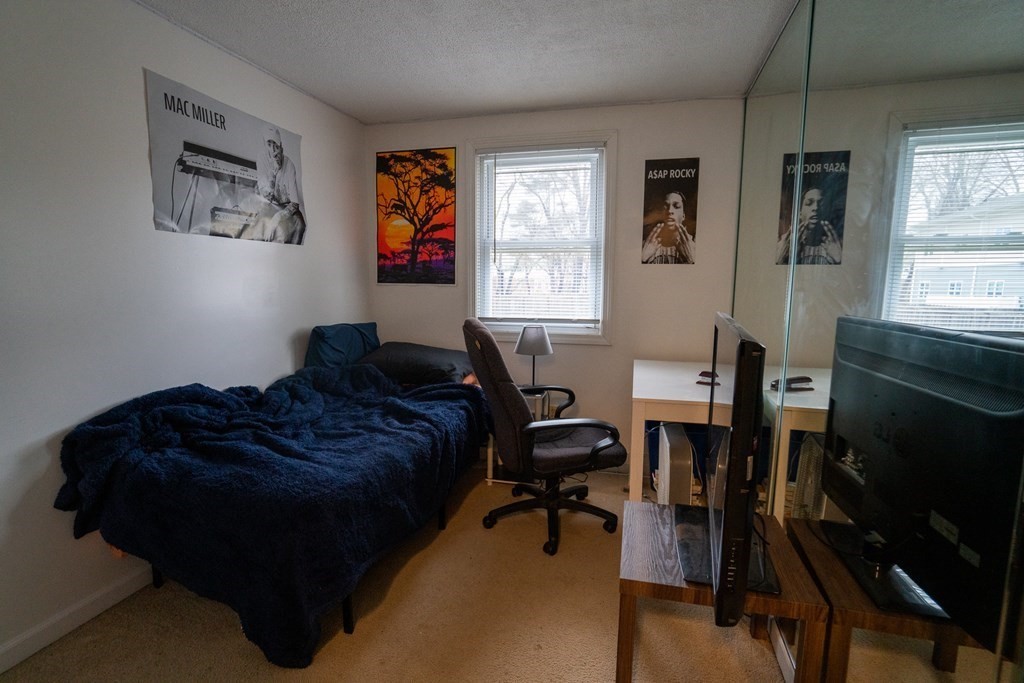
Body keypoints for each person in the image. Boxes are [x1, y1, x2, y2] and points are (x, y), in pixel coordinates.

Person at [243, 125, 306, 243]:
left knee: (300, 224)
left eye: (275, 145)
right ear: (265, 145)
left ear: (281, 146)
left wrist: (277, 218)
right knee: (259, 222)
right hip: (269, 203)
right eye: (269, 144)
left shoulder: (290, 165)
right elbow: (265, 196)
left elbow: (295, 204)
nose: (273, 150)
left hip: (286, 206)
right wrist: (274, 172)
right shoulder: (262, 158)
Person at [775, 187, 842, 264]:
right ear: (800, 212)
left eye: (821, 204)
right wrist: (783, 259)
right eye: (809, 203)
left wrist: (838, 261)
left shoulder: (837, 248)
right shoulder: (784, 245)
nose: (816, 208)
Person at [641, 190, 695, 264]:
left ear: (683, 216)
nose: (669, 211)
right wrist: (642, 259)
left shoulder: (695, 246)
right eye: (665, 207)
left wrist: (691, 260)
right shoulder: (644, 247)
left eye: (676, 206)